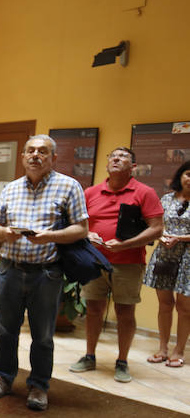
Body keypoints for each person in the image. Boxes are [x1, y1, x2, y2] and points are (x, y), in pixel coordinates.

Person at [0, 134, 89, 411]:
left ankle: (39, 386)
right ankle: (2, 379)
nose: (35, 156)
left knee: (42, 335)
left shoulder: (69, 186)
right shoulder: (11, 188)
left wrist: (50, 236)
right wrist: (4, 233)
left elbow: (81, 228)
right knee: (6, 331)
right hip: (10, 270)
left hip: (46, 274)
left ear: (53, 158)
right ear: (23, 156)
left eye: (42, 151)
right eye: (30, 151)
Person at [69, 147, 163, 381]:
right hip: (94, 261)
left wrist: (126, 244)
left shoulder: (144, 192)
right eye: (113, 156)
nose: (116, 160)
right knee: (93, 310)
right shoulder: (91, 192)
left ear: (133, 167)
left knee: (124, 311)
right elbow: (77, 222)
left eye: (123, 158)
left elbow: (156, 228)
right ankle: (89, 356)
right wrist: (86, 234)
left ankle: (122, 361)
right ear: (107, 163)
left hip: (128, 262)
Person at [142, 159, 190, 368]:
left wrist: (179, 238)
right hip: (164, 254)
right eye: (188, 173)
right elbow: (155, 224)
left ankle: (178, 350)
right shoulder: (167, 199)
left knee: (184, 307)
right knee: (165, 304)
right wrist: (162, 237)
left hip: (187, 258)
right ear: (181, 175)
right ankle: (162, 349)